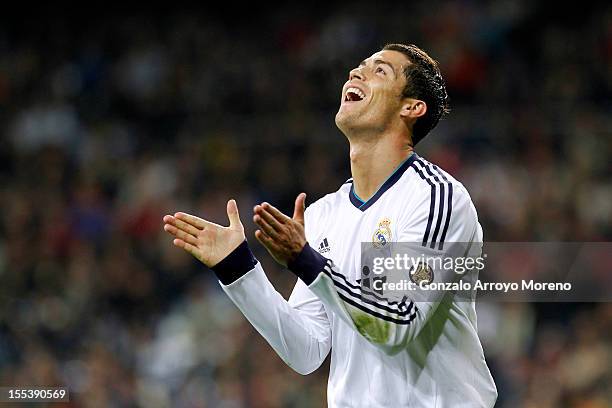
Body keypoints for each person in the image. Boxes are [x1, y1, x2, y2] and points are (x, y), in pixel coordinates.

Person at [162, 43, 497, 407]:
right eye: (358, 67)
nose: (356, 73)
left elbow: (399, 324)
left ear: (411, 107)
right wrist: (238, 269)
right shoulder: (324, 214)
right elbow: (306, 350)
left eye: (379, 70)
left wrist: (306, 262)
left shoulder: (436, 198)